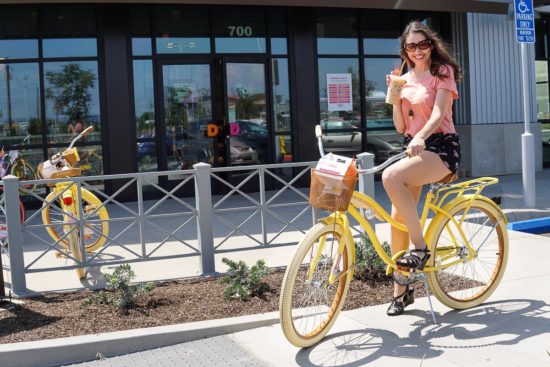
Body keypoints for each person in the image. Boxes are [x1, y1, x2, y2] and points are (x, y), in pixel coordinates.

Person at [383, 21, 462, 316]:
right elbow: (401, 126)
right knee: (396, 219)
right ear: (405, 50)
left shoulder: (442, 72)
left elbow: (440, 113)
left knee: (390, 175)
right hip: (413, 147)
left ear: (431, 45)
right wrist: (394, 96)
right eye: (411, 46)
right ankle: (401, 293)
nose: (417, 51)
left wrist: (420, 137)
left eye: (422, 44)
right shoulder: (403, 80)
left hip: (440, 147)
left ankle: (421, 249)